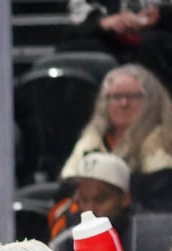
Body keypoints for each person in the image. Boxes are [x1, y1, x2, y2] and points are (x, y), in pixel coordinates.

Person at [62, 64, 172, 208]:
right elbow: (65, 190)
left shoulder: (162, 141)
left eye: (133, 97)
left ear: (151, 102)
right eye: (116, 97)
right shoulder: (92, 140)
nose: (123, 103)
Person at [61, 2, 172, 85]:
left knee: (153, 43)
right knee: (70, 48)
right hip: (105, 34)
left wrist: (162, 13)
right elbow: (78, 18)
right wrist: (103, 22)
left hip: (157, 31)